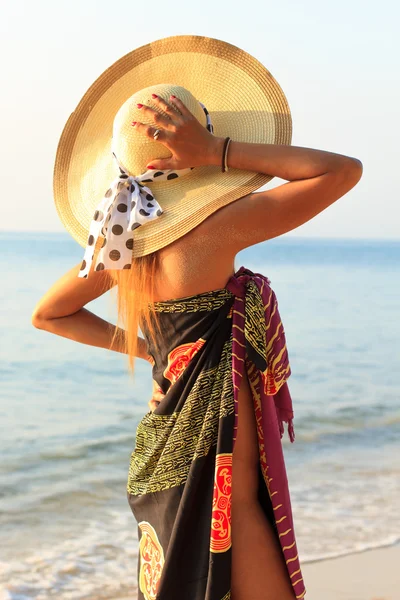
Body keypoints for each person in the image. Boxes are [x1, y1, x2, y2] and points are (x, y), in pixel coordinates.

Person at [32, 35, 363, 600]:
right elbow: (340, 172)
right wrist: (218, 151)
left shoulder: (124, 245)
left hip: (163, 444)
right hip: (212, 453)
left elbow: (49, 314)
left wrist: (146, 351)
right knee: (240, 530)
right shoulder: (215, 229)